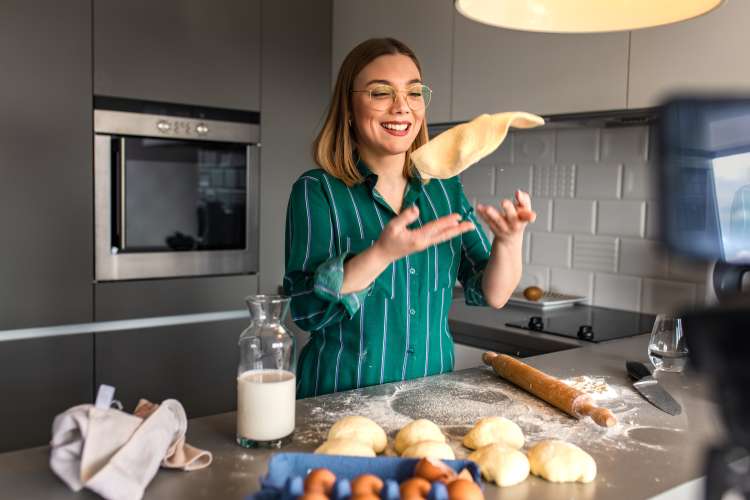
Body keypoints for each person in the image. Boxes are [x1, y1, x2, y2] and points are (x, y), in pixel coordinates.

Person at [283, 38, 536, 398]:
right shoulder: (317, 190)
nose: (402, 108)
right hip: (338, 400)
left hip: (428, 399)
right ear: (349, 108)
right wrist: (380, 254)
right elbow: (306, 310)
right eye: (380, 93)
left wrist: (510, 241)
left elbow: (491, 292)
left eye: (414, 93)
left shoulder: (444, 190)